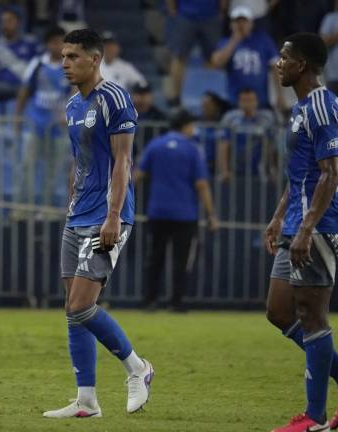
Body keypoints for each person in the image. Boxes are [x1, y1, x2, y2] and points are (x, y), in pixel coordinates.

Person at [264, 33, 338, 432]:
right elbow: (301, 174)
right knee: (279, 311)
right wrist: (279, 217)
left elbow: (330, 173)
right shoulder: (300, 108)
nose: (278, 63)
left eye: (284, 57)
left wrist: (308, 228)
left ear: (303, 65)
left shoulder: (324, 106)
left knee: (312, 316)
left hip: (319, 225)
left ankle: (314, 418)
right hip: (297, 222)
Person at [42, 29, 153, 419]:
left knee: (81, 304)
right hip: (78, 215)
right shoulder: (73, 104)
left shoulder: (115, 98)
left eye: (73, 56)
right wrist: (71, 204)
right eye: (63, 56)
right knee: (72, 309)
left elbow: (124, 161)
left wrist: (113, 215)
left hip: (106, 216)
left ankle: (137, 368)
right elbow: (81, 160)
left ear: (95, 59)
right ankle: (86, 400)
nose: (65, 63)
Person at [136, 108, 219, 311]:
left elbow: (137, 175)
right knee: (181, 260)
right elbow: (201, 184)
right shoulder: (192, 149)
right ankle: (176, 302)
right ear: (186, 126)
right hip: (185, 214)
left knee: (154, 258)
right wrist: (211, 214)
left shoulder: (155, 145)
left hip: (157, 211)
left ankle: (149, 300)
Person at [14, 26, 71, 206]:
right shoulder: (37, 64)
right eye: (54, 42)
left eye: (61, 42)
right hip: (35, 124)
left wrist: (68, 115)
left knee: (52, 172)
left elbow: (76, 92)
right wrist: (18, 118)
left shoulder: (71, 65)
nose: (58, 46)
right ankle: (22, 209)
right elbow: (24, 91)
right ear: (47, 44)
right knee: (27, 166)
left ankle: (46, 211)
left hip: (59, 128)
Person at [211, 6, 283, 110]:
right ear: (231, 25)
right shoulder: (225, 42)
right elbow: (216, 63)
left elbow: (276, 66)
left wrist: (280, 95)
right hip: (234, 103)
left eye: (244, 21)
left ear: (251, 24)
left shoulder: (264, 41)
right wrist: (234, 41)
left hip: (261, 102)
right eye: (237, 22)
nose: (241, 25)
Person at [0, 8, 39, 108]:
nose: (5, 25)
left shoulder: (30, 42)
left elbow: (43, 60)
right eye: (3, 22)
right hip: (2, 85)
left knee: (31, 86)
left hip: (24, 85)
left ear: (18, 23)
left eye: (9, 21)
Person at [165, 0, 223, 106]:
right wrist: (172, 9)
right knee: (179, 57)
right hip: (186, 14)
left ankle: (211, 100)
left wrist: (222, 8)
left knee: (213, 59)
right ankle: (176, 97)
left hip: (211, 14)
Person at [217, 87, 277, 181]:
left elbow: (270, 146)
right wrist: (224, 171)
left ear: (257, 102)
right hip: (235, 172)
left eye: (250, 100)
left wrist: (272, 169)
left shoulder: (266, 119)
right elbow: (223, 145)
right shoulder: (231, 119)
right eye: (244, 100)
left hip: (258, 173)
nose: (247, 104)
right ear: (239, 102)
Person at [198, 91, 231, 174]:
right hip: (197, 167)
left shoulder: (222, 127)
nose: (205, 108)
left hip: (214, 169)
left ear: (216, 107)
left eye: (208, 105)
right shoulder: (195, 126)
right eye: (203, 105)